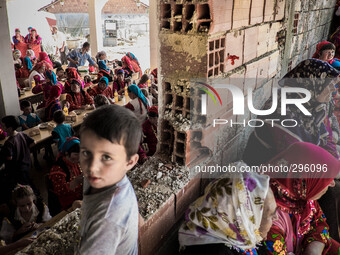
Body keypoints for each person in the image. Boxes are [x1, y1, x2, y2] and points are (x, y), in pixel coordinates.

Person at [243, 59, 340, 242]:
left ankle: (322, 241)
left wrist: (330, 168)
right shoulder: (281, 109)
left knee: (330, 187)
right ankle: (323, 241)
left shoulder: (315, 107)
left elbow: (328, 143)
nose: (332, 91)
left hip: (299, 172)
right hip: (270, 176)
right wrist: (326, 174)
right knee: (329, 194)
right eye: (328, 86)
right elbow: (296, 157)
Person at [76, 104, 140, 254]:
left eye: (106, 157)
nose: (92, 167)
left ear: (130, 162)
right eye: (86, 153)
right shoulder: (106, 178)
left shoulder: (108, 218)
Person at [178, 163, 277, 255]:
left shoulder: (244, 237)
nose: (276, 217)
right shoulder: (214, 252)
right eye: (271, 215)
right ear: (245, 218)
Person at [262, 142, 340, 254]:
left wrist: (313, 250)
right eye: (325, 179)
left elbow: (318, 223)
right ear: (303, 181)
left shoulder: (303, 199)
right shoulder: (269, 216)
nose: (332, 183)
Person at [0, 116, 35, 204]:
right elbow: (33, 142)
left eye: (3, 126)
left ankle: (22, 203)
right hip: (26, 165)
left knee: (19, 189)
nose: (2, 128)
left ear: (10, 128)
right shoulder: (21, 134)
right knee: (26, 184)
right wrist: (25, 150)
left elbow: (9, 158)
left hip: (16, 171)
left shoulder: (9, 143)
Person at [49, 137, 83, 214]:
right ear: (67, 153)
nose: (79, 157)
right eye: (76, 154)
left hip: (79, 198)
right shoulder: (58, 169)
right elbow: (60, 191)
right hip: (67, 204)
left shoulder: (76, 163)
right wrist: (76, 181)